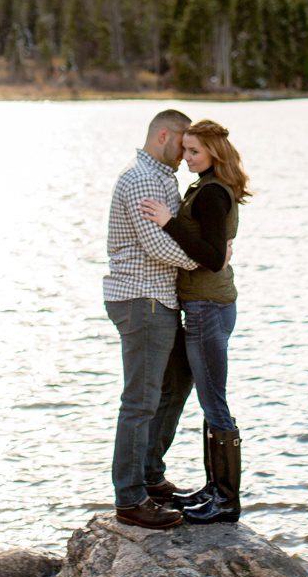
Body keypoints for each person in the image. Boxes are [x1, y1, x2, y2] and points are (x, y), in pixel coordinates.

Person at [140, 118, 248, 525]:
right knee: (208, 398)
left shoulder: (212, 193)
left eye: (194, 152)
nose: (185, 158)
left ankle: (226, 500)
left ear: (213, 154)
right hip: (206, 305)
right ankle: (213, 490)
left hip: (207, 308)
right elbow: (214, 248)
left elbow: (211, 255)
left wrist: (168, 222)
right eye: (184, 150)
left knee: (214, 401)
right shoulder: (205, 186)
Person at [103, 108, 201, 529]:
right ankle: (129, 499)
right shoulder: (141, 178)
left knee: (178, 381)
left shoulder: (162, 176)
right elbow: (158, 245)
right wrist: (206, 260)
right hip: (140, 299)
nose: (185, 156)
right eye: (182, 146)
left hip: (159, 299)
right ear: (164, 135)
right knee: (139, 401)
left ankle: (151, 477)